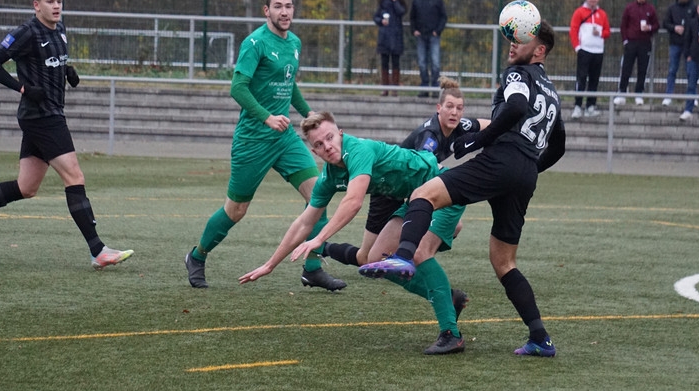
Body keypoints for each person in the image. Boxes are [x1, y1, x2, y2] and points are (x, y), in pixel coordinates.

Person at [359, 20, 566, 358]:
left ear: (539, 50)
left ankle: (403, 257)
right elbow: (559, 146)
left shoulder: (518, 73)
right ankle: (540, 337)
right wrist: (528, 169)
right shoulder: (552, 93)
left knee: (423, 194)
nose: (513, 42)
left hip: (502, 160)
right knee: (504, 262)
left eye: (522, 38)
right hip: (525, 171)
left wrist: (476, 141)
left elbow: (515, 107)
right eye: (513, 36)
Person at [0, 0, 133, 269]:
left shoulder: (60, 30)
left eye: (59, 1)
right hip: (42, 117)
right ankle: (98, 250)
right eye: (49, 1)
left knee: (26, 187)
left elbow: (51, 62)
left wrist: (68, 72)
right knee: (74, 176)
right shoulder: (26, 33)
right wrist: (23, 88)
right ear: (36, 5)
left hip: (47, 114)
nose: (56, 6)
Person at [238, 111, 468, 354]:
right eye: (319, 144)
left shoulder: (358, 150)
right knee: (376, 258)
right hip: (416, 200)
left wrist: (319, 239)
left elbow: (353, 202)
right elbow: (304, 222)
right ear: (314, 152)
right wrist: (270, 264)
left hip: (442, 188)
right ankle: (448, 298)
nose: (327, 146)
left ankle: (451, 335)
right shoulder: (329, 176)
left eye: (329, 138)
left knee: (420, 252)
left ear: (340, 133)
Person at [184, 0, 345, 291]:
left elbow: (289, 85)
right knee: (236, 210)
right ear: (266, 11)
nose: (284, 12)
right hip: (253, 141)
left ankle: (312, 269)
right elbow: (237, 88)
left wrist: (312, 118)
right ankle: (197, 256)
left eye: (289, 6)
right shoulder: (255, 43)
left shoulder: (294, 43)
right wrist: (267, 117)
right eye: (278, 6)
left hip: (284, 139)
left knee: (319, 196)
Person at [324, 77, 489, 271]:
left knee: (455, 225)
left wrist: (509, 128)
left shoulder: (460, 124)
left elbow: (486, 124)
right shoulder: (429, 138)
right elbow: (419, 178)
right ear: (439, 108)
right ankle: (323, 248)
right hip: (387, 191)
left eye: (459, 108)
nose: (454, 112)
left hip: (409, 189)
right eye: (449, 107)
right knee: (365, 258)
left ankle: (410, 257)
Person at [613, 0, 659, 106]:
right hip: (631, 43)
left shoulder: (651, 9)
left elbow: (656, 25)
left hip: (645, 43)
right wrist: (625, 41)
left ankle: (639, 94)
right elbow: (623, 25)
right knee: (626, 68)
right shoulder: (629, 8)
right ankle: (622, 93)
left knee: (642, 70)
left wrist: (649, 28)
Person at [568, 0, 611, 118]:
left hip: (598, 51)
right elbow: (573, 30)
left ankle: (590, 106)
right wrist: (577, 47)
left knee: (594, 80)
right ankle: (577, 106)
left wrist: (600, 33)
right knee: (581, 78)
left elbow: (607, 31)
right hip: (584, 50)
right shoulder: (579, 12)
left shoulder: (602, 14)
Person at [409, 0, 447, 96]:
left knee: (435, 63)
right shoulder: (417, 0)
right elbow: (412, 17)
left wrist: (438, 30)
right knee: (422, 63)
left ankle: (435, 88)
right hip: (421, 36)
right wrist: (414, 30)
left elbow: (443, 17)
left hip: (434, 35)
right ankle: (424, 87)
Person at [662, 0, 697, 107]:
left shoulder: (694, 8)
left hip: (690, 45)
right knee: (672, 70)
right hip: (675, 44)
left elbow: (698, 24)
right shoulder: (672, 8)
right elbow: (665, 23)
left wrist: (688, 30)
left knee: (691, 71)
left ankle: (692, 96)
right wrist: (674, 28)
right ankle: (668, 96)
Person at [374, 0, 406, 95]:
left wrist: (395, 1)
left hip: (396, 37)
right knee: (384, 63)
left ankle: (395, 88)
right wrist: (381, 21)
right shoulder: (383, 3)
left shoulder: (400, 3)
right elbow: (376, 17)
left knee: (396, 63)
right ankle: (385, 88)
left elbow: (401, 12)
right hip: (384, 37)